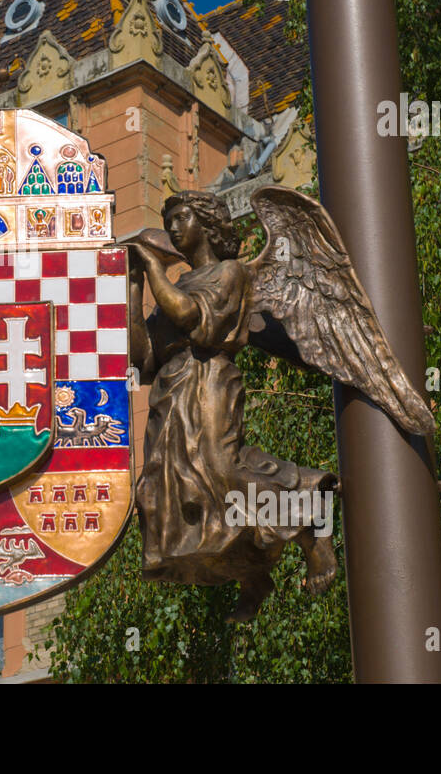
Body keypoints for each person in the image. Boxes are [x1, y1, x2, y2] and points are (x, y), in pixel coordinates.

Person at [127, 191, 337, 622]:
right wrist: (132, 287)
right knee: (167, 490)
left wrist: (150, 269)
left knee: (220, 471)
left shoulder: (230, 273)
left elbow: (192, 320)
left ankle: (308, 519)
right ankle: (252, 572)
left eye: (181, 217)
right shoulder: (177, 284)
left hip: (210, 381)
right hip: (171, 392)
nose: (172, 227)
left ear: (207, 223)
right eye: (168, 220)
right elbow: (144, 358)